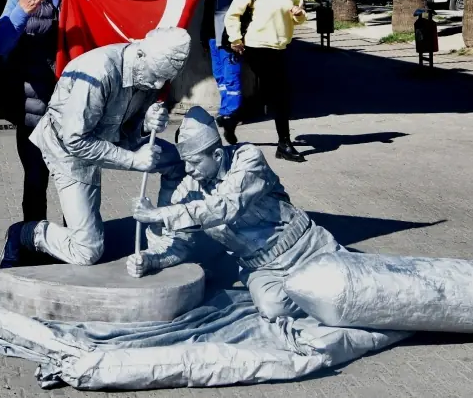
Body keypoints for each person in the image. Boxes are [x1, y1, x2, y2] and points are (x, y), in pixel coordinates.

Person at [0, 27, 192, 268]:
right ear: (141, 54)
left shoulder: (151, 69)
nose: (158, 83)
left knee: (176, 162)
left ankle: (162, 229)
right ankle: (24, 234)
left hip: (113, 137)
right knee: (87, 251)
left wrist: (147, 123)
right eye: (156, 75)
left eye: (166, 78)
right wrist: (134, 160)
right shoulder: (99, 72)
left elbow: (134, 121)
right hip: (69, 151)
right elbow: (75, 141)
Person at [127, 107, 342, 321]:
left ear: (217, 155)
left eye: (195, 162)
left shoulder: (248, 159)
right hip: (261, 268)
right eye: (185, 162)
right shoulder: (188, 189)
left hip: (304, 246)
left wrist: (160, 214)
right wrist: (151, 260)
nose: (189, 169)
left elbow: (226, 206)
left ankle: (329, 293)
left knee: (344, 285)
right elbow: (179, 244)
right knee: (273, 307)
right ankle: (320, 299)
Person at [0, 0, 75, 222]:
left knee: (75, 185)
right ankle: (35, 246)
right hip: (33, 115)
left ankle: (76, 244)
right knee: (36, 183)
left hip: (75, 114)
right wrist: (23, 11)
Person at [224, 0, 307, 163]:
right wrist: (235, 39)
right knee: (280, 93)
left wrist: (299, 14)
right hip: (256, 46)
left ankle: (230, 121)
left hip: (280, 47)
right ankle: (284, 144)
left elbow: (299, 17)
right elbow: (233, 13)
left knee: (265, 95)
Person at [200, 0, 243, 143]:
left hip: (227, 39)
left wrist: (235, 37)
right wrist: (203, 35)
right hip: (212, 37)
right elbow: (208, 12)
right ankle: (225, 111)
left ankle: (231, 114)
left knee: (231, 77)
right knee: (220, 77)